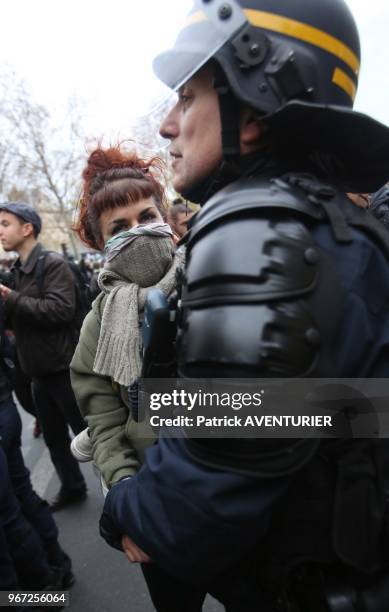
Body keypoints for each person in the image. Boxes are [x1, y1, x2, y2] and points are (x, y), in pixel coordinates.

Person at [99, 1, 389, 610]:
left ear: (253, 111)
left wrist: (123, 504)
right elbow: (316, 412)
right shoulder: (336, 222)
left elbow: (206, 486)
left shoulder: (254, 232)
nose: (168, 126)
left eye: (187, 96)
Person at [70, 147, 206, 612]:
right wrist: (124, 498)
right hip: (158, 505)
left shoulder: (213, 280)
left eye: (147, 216)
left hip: (234, 491)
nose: (138, 232)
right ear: (99, 243)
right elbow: (106, 425)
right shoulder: (97, 325)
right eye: (119, 228)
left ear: (166, 215)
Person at [0, 202, 87, 511]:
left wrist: (12, 298)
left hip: (64, 370)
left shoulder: (51, 264)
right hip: (38, 373)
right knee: (54, 441)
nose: (0, 231)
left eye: (5, 223)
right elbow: (16, 319)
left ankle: (123, 492)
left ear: (27, 228)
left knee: (89, 437)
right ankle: (73, 487)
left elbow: (60, 310)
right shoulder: (16, 270)